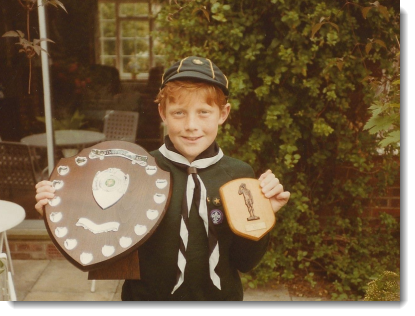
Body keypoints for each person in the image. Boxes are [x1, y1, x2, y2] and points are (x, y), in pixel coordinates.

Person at [35, 56, 291, 301]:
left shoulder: (238, 176)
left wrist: (265, 215)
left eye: (204, 112)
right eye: (179, 112)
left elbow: (246, 262)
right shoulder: (136, 171)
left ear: (223, 114)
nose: (191, 125)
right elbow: (100, 241)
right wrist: (59, 208)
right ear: (162, 112)